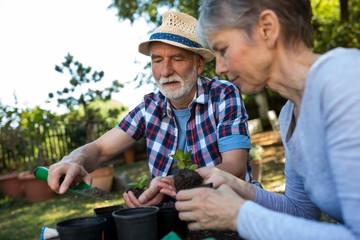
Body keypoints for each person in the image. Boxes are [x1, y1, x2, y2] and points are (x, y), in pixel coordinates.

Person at [173, 0, 360, 239]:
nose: (219, 68)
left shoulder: (345, 80)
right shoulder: (289, 114)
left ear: (267, 28)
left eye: (223, 49)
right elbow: (301, 212)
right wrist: (237, 185)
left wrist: (240, 216)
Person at [47, 10, 252, 207]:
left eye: (177, 59)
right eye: (157, 60)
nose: (165, 71)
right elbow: (100, 149)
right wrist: (73, 159)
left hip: (230, 208)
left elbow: (235, 168)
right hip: (175, 214)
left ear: (198, 64)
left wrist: (169, 183)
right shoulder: (150, 107)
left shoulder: (223, 95)